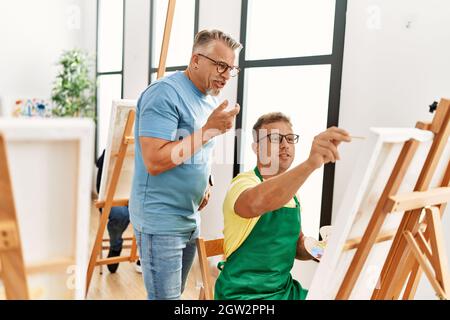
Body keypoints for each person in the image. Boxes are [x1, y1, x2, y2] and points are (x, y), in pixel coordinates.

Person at [129, 29, 242, 300]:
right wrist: (208, 131)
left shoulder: (209, 100)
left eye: (231, 68)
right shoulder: (164, 95)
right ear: (195, 60)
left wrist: (208, 182)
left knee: (174, 295)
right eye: (221, 65)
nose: (226, 74)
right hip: (160, 221)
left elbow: (199, 150)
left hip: (190, 218)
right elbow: (155, 160)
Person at [214, 112, 351, 300]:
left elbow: (297, 247)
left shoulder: (292, 196)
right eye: (275, 138)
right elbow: (255, 204)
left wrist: (322, 249)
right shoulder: (243, 183)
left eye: (289, 138)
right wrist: (311, 164)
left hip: (286, 292)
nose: (285, 144)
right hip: (243, 295)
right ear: (256, 148)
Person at [96, 149, 141, 274]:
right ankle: (115, 246)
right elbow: (99, 186)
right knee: (120, 214)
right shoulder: (110, 152)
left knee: (155, 210)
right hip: (112, 199)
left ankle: (145, 254)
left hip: (135, 197)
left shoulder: (144, 149)